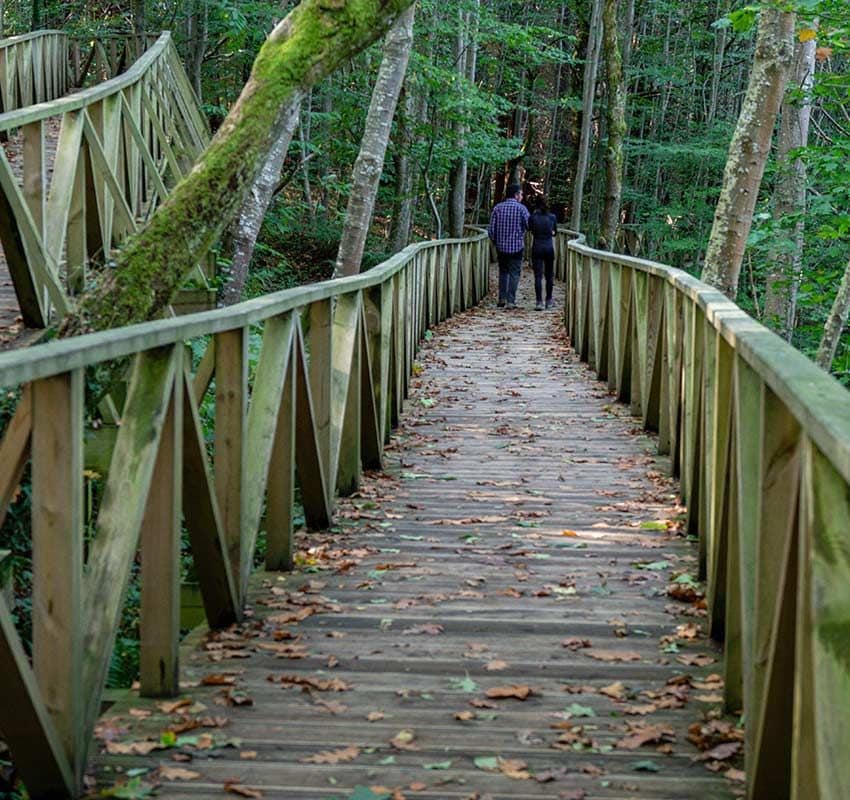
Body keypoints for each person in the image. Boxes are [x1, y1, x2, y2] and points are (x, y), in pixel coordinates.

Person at [488, 184, 530, 309]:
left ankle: (501, 298)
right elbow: (529, 225)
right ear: (516, 195)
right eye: (521, 194)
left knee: (503, 272)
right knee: (514, 273)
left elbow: (491, 230)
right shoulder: (522, 209)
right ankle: (511, 301)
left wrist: (496, 241)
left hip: (501, 247)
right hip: (517, 246)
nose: (522, 197)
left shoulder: (497, 208)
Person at [529, 198, 557, 310]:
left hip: (537, 247)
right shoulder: (552, 217)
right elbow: (555, 232)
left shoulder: (533, 217)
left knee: (538, 276)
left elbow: (530, 230)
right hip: (549, 247)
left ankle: (539, 301)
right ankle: (549, 300)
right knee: (549, 275)